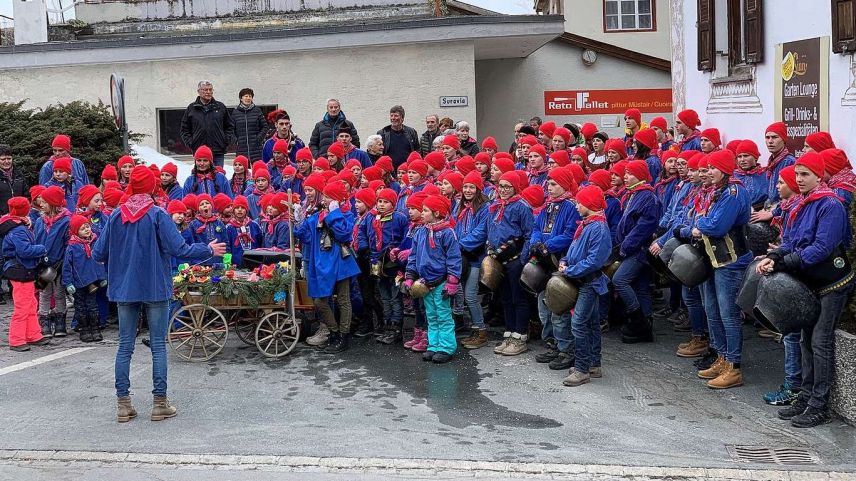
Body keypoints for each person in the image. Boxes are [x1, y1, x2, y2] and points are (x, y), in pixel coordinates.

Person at [94, 165, 226, 423]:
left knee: (124, 346)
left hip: (124, 288)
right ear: (151, 187)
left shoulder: (116, 215)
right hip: (155, 286)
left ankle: (123, 405)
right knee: (157, 346)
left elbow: (99, 253)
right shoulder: (157, 214)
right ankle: (159, 403)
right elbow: (180, 248)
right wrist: (208, 249)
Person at [757, 152, 854, 428]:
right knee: (805, 341)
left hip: (832, 283)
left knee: (820, 342)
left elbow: (822, 248)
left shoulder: (830, 205)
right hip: (810, 281)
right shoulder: (801, 202)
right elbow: (791, 241)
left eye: (805, 174)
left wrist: (786, 263)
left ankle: (819, 405)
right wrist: (774, 258)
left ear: (819, 176)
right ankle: (807, 395)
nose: (798, 180)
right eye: (797, 174)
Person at [678, 150, 751, 390]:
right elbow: (699, 220)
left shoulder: (733, 193)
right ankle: (721, 356)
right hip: (713, 259)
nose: (708, 172)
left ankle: (734, 365)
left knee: (728, 313)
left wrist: (700, 225)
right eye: (706, 168)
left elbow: (716, 226)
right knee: (712, 310)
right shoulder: (714, 191)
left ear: (725, 169)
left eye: (712, 168)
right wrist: (700, 225)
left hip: (730, 261)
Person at [462, 172, 534, 356]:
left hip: (514, 259)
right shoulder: (495, 206)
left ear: (515, 187)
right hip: (498, 259)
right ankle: (509, 334)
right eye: (500, 186)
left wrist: (522, 259)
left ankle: (520, 336)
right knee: (506, 298)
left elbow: (528, 235)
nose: (502, 190)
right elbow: (485, 231)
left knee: (519, 298)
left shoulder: (521, 207)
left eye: (507, 186)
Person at [295, 182, 361, 352]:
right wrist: (296, 220)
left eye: (328, 196)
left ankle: (344, 337)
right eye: (324, 196)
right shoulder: (318, 216)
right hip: (323, 265)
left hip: (340, 263)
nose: (324, 199)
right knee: (320, 301)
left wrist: (335, 213)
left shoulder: (345, 214)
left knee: (343, 300)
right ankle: (334, 332)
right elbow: (305, 236)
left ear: (337, 200)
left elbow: (344, 234)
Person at [526, 167, 580, 370]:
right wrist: (536, 242)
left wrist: (548, 246)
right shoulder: (548, 206)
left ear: (565, 185)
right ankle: (551, 343)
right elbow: (537, 228)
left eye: (554, 184)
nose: (549, 187)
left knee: (558, 309)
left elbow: (570, 233)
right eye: (548, 183)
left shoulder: (571, 207)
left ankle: (566, 348)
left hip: (559, 261)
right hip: (543, 262)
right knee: (543, 308)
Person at [559, 185, 613, 387]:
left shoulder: (598, 228)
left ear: (589, 204)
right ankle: (593, 363)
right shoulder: (587, 224)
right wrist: (565, 260)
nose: (576, 206)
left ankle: (582, 369)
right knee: (590, 323)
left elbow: (594, 261)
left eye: (579, 203)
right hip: (583, 280)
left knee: (579, 324)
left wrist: (569, 271)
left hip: (589, 282)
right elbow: (574, 251)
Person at [404, 195, 461, 363]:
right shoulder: (421, 231)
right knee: (431, 315)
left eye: (426, 210)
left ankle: (446, 347)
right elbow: (413, 256)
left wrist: (452, 281)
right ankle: (433, 345)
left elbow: (454, 258)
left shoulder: (447, 233)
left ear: (437, 213)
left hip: (441, 281)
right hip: (425, 282)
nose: (422, 213)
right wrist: (409, 276)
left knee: (443, 315)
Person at [613, 160, 662, 343]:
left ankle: (638, 318)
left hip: (638, 250)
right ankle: (646, 327)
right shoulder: (633, 194)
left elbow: (643, 227)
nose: (625, 177)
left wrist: (625, 247)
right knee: (641, 286)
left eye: (630, 173)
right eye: (624, 173)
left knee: (620, 280)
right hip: (632, 248)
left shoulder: (647, 197)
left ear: (641, 175)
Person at [2, 197, 50, 351]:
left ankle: (33, 334)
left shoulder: (17, 225)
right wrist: (41, 249)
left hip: (22, 270)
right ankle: (16, 340)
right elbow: (25, 251)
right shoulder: (18, 229)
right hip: (20, 270)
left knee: (30, 304)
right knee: (23, 306)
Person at [366, 188, 409, 344]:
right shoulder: (374, 218)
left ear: (393, 204)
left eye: (386, 202)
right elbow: (371, 238)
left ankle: (396, 328)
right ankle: (386, 324)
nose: (382, 205)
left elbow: (405, 239)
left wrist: (399, 254)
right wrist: (372, 258)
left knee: (395, 296)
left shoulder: (400, 218)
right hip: (377, 261)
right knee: (384, 296)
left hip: (393, 263)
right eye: (379, 201)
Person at [34, 185, 72, 338]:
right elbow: (36, 240)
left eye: (44, 201)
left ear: (53, 203)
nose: (41, 204)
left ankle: (60, 322)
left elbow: (67, 243)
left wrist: (64, 261)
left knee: (59, 293)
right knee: (44, 292)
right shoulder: (40, 221)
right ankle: (44, 322)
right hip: (43, 264)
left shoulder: (65, 221)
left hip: (59, 263)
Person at [62, 215, 106, 343]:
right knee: (80, 306)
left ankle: (95, 327)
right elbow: (67, 266)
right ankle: (84, 329)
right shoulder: (72, 247)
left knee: (93, 306)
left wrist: (102, 277)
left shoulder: (93, 243)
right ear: (76, 231)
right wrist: (68, 282)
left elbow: (98, 261)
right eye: (82, 228)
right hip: (78, 283)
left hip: (92, 282)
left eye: (87, 226)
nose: (87, 230)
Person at [180, 81, 233, 167]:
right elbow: (184, 129)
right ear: (199, 91)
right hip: (199, 152)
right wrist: (191, 143)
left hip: (218, 151)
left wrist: (225, 141)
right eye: (205, 90)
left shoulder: (220, 107)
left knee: (218, 178)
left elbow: (230, 126)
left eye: (210, 90)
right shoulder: (191, 108)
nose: (208, 92)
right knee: (201, 179)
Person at [231, 88, 267, 161]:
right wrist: (236, 141)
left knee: (257, 170)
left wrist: (258, 138)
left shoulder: (257, 111)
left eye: (250, 96)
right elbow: (230, 129)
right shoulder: (235, 112)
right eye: (246, 96)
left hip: (256, 149)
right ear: (241, 98)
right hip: (241, 149)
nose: (248, 98)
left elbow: (265, 127)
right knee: (243, 170)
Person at [0, 145, 29, 216]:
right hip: (2, 219)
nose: (6, 161)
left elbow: (26, 195)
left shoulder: (19, 174)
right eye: (3, 159)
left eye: (9, 158)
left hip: (20, 216)